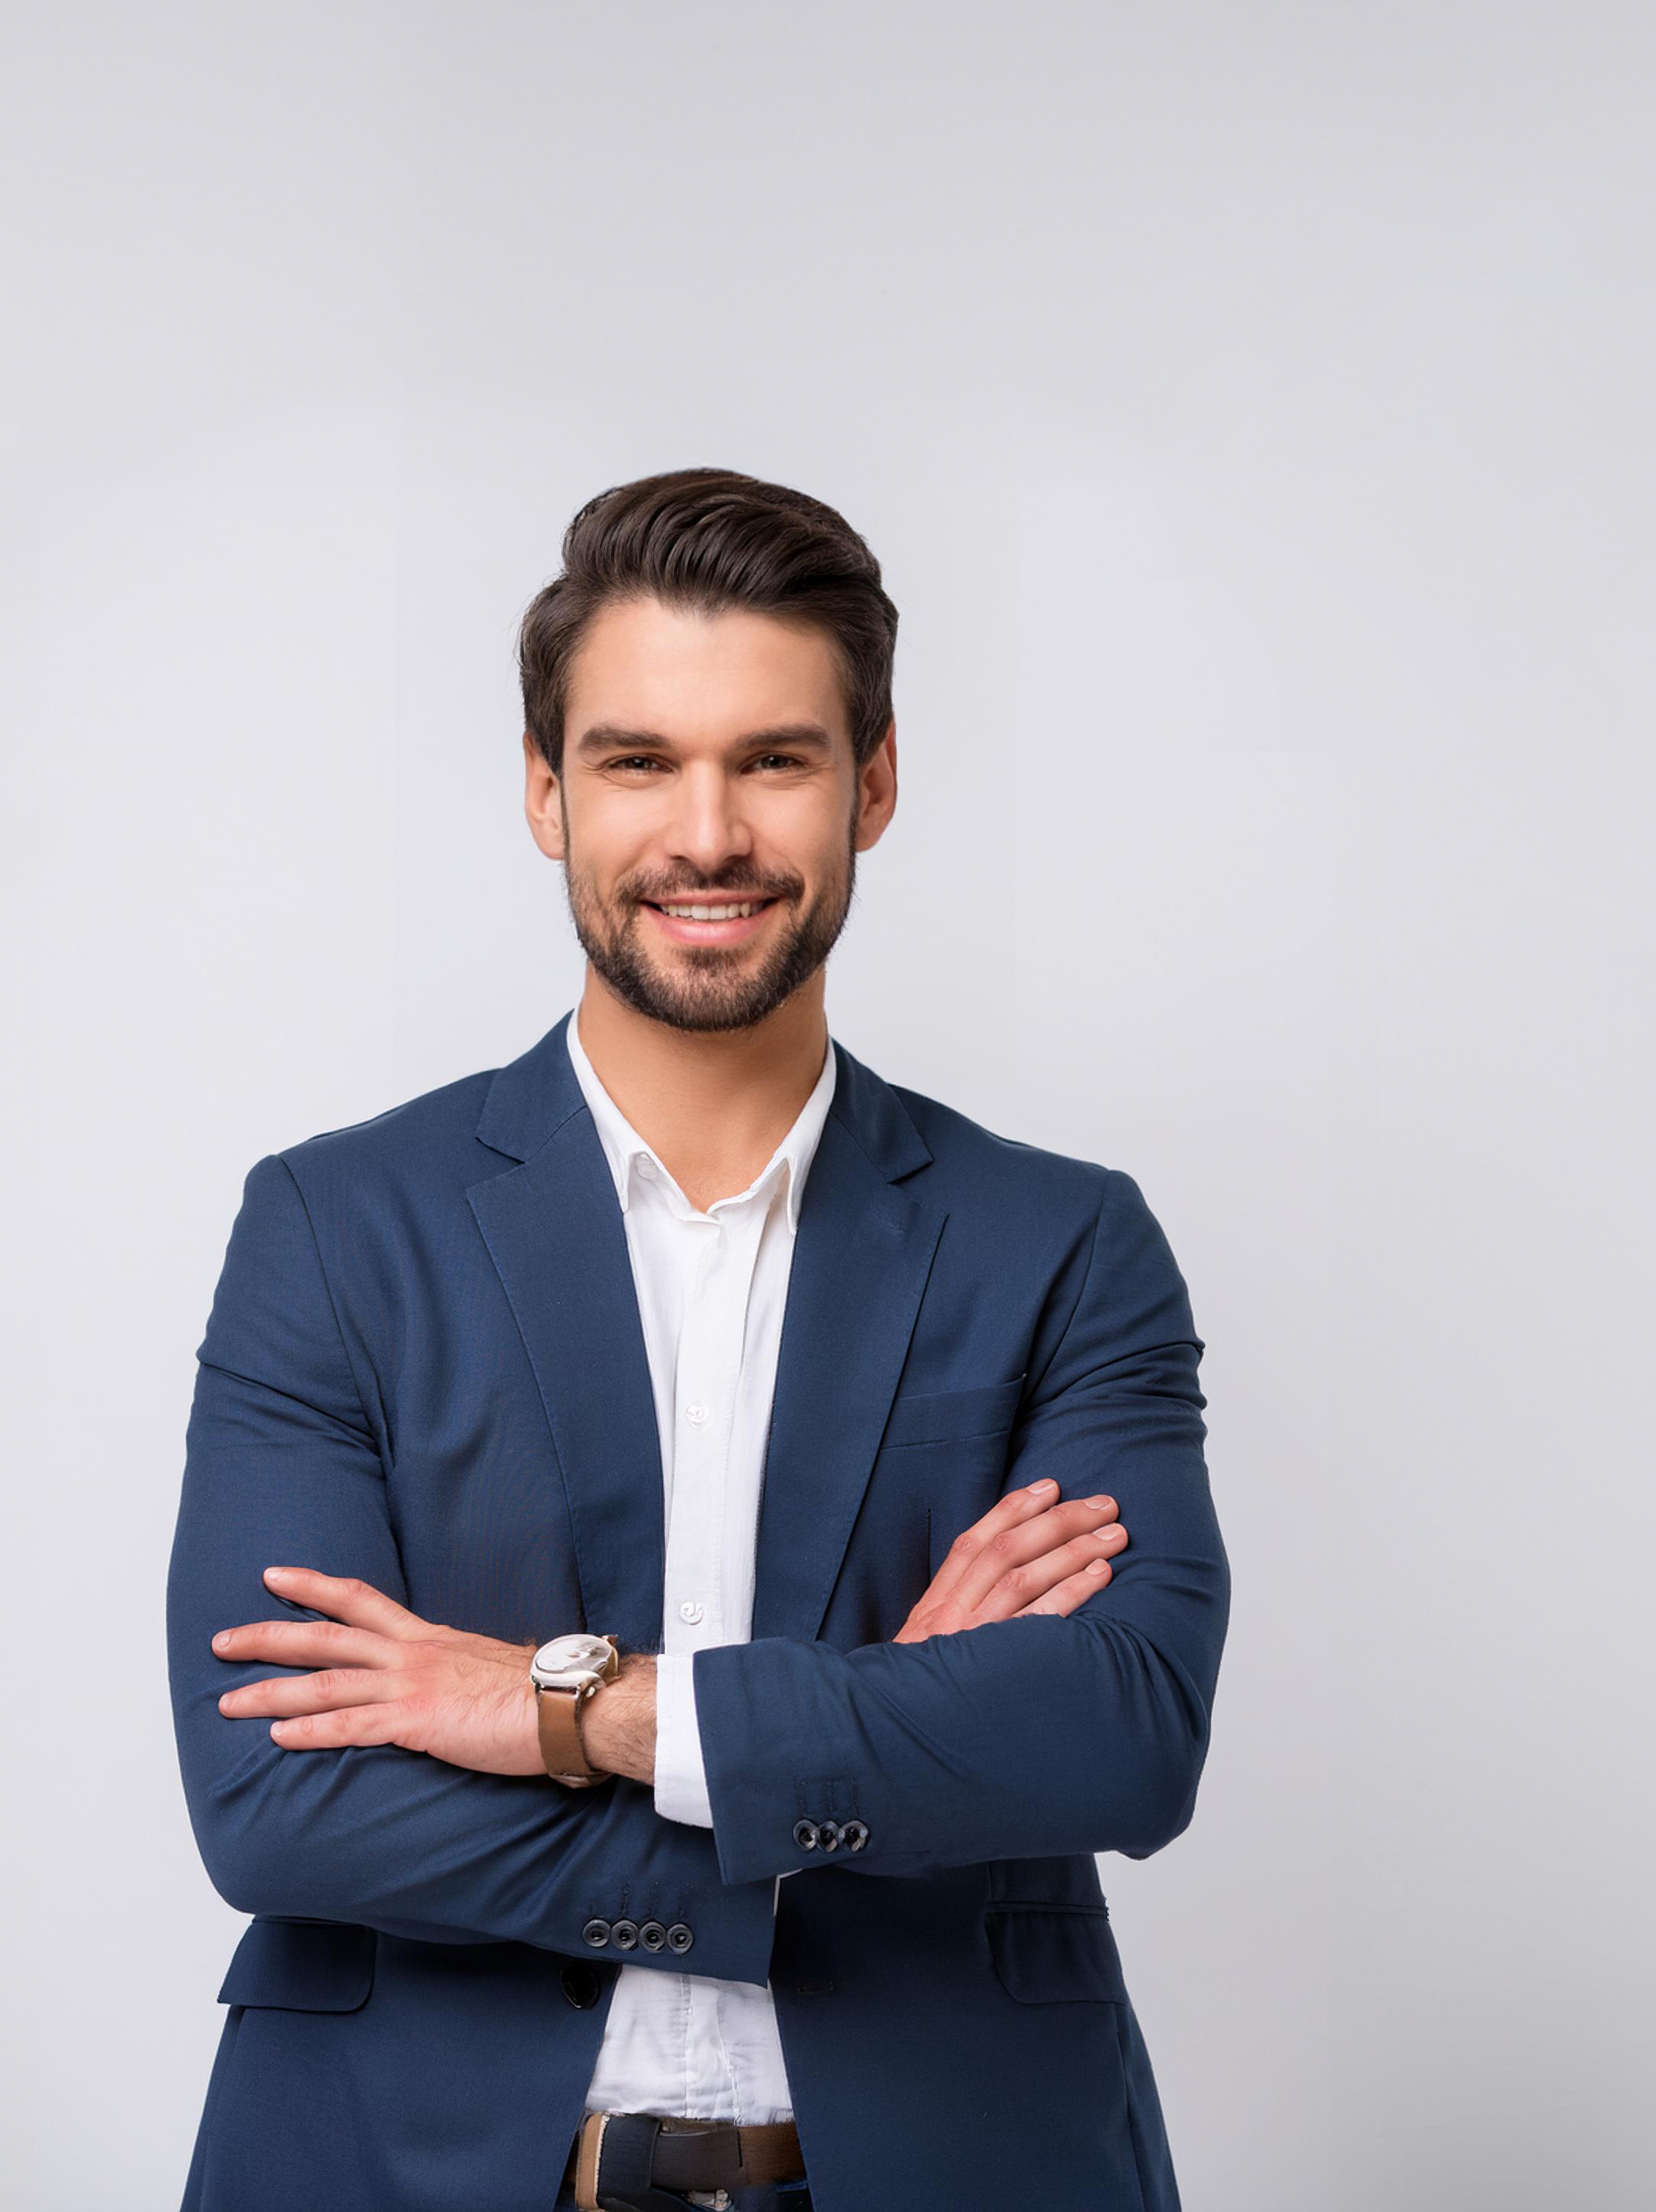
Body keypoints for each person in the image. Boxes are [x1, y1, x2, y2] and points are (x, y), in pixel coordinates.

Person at [168, 469, 1229, 2212]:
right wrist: (870, 1745)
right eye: (639, 761)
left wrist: (564, 1707)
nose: (708, 833)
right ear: (545, 790)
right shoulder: (336, 1229)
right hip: (404, 2168)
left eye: (775, 759)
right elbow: (275, 1802)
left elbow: (1121, 1734)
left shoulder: (1062, 1243)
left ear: (872, 782)